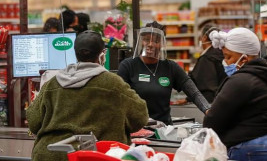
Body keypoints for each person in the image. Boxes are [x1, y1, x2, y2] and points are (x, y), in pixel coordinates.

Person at [26, 30, 149, 161]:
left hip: (49, 154)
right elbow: (140, 117)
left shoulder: (53, 83)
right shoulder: (113, 83)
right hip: (93, 156)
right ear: (102, 55)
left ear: (75, 53)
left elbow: (33, 122)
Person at [203, 27, 267, 161]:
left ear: (244, 59)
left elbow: (212, 121)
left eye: (228, 57)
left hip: (253, 150)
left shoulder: (239, 81)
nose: (226, 62)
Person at [117, 21, 210, 125]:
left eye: (156, 41)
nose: (151, 44)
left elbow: (194, 93)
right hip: (136, 129)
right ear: (141, 40)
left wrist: (208, 110)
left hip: (163, 129)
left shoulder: (171, 67)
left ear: (162, 43)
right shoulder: (128, 66)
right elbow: (116, 97)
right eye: (147, 40)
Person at [189, 24, 227, 103]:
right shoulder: (222, 53)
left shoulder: (207, 58)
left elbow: (207, 88)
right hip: (223, 99)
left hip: (211, 104)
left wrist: (188, 99)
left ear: (204, 38)